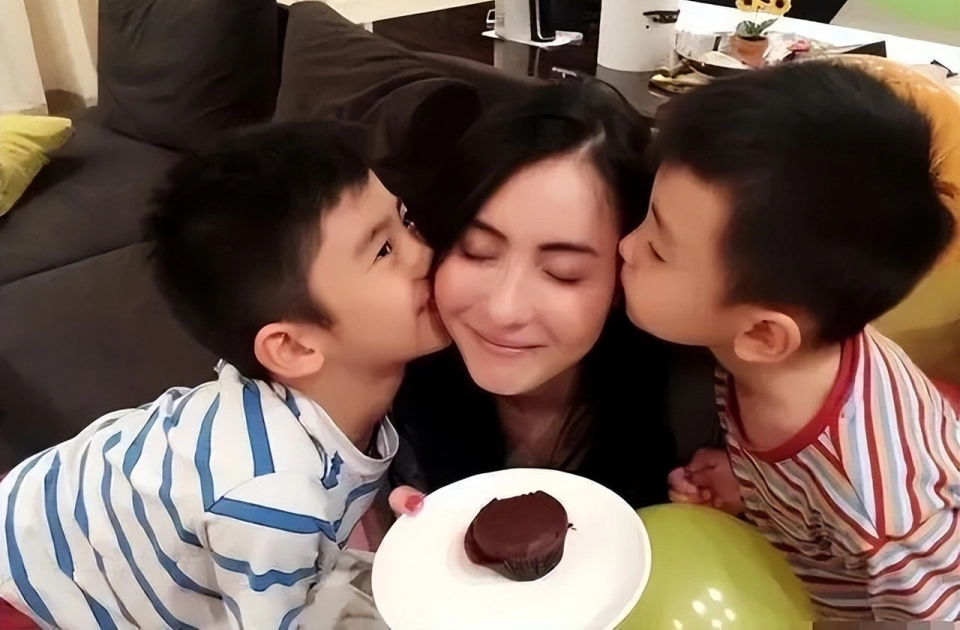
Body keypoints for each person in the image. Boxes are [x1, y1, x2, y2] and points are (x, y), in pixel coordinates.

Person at [0, 121, 448, 629]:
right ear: (293, 346)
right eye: (384, 250)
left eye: (405, 220)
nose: (426, 253)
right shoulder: (274, 499)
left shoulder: (311, 417)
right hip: (26, 587)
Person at [618, 60, 960, 621]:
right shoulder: (768, 349)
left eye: (657, 249)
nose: (627, 247)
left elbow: (939, 611)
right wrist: (753, 488)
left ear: (762, 334)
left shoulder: (880, 506)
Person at [379, 82, 681, 529]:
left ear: (624, 277)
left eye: (562, 272)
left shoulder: (694, 419)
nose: (504, 310)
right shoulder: (387, 397)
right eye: (477, 252)